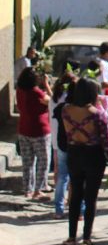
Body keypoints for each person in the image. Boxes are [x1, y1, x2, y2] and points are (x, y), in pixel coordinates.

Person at [62, 77, 108, 245]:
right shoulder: (98, 114)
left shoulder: (66, 110)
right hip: (94, 156)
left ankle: (71, 237)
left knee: (75, 194)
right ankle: (86, 238)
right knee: (91, 197)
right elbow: (106, 141)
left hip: (74, 153)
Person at [16, 66, 52, 199]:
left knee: (27, 162)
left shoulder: (19, 90)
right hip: (40, 130)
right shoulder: (37, 92)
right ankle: (38, 189)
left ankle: (27, 189)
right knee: (43, 161)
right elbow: (51, 101)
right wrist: (47, 85)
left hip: (23, 128)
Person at [50, 63, 80, 217]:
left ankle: (59, 209)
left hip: (60, 141)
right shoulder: (77, 106)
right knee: (77, 178)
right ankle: (78, 209)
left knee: (61, 176)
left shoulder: (57, 102)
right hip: (75, 144)